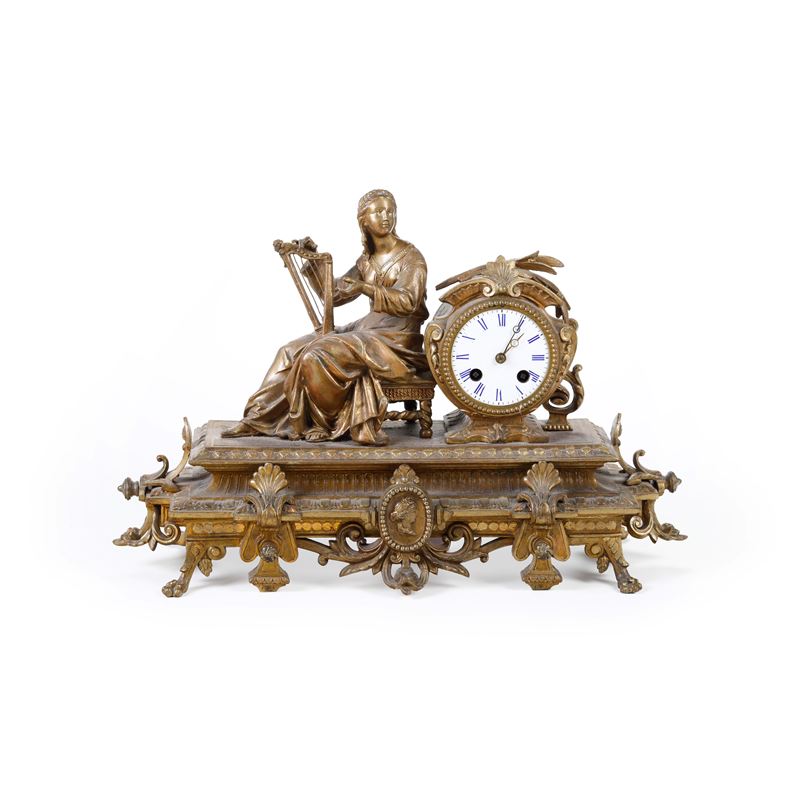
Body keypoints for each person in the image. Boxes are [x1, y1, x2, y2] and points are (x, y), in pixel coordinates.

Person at [223, 189, 429, 446]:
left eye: (390, 210)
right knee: (289, 351)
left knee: (316, 354)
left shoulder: (411, 258)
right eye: (378, 211)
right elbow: (336, 295)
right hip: (368, 330)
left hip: (396, 340)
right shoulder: (366, 260)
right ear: (364, 220)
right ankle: (256, 418)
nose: (386, 216)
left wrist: (366, 288)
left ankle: (322, 423)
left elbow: (409, 301)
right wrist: (313, 265)